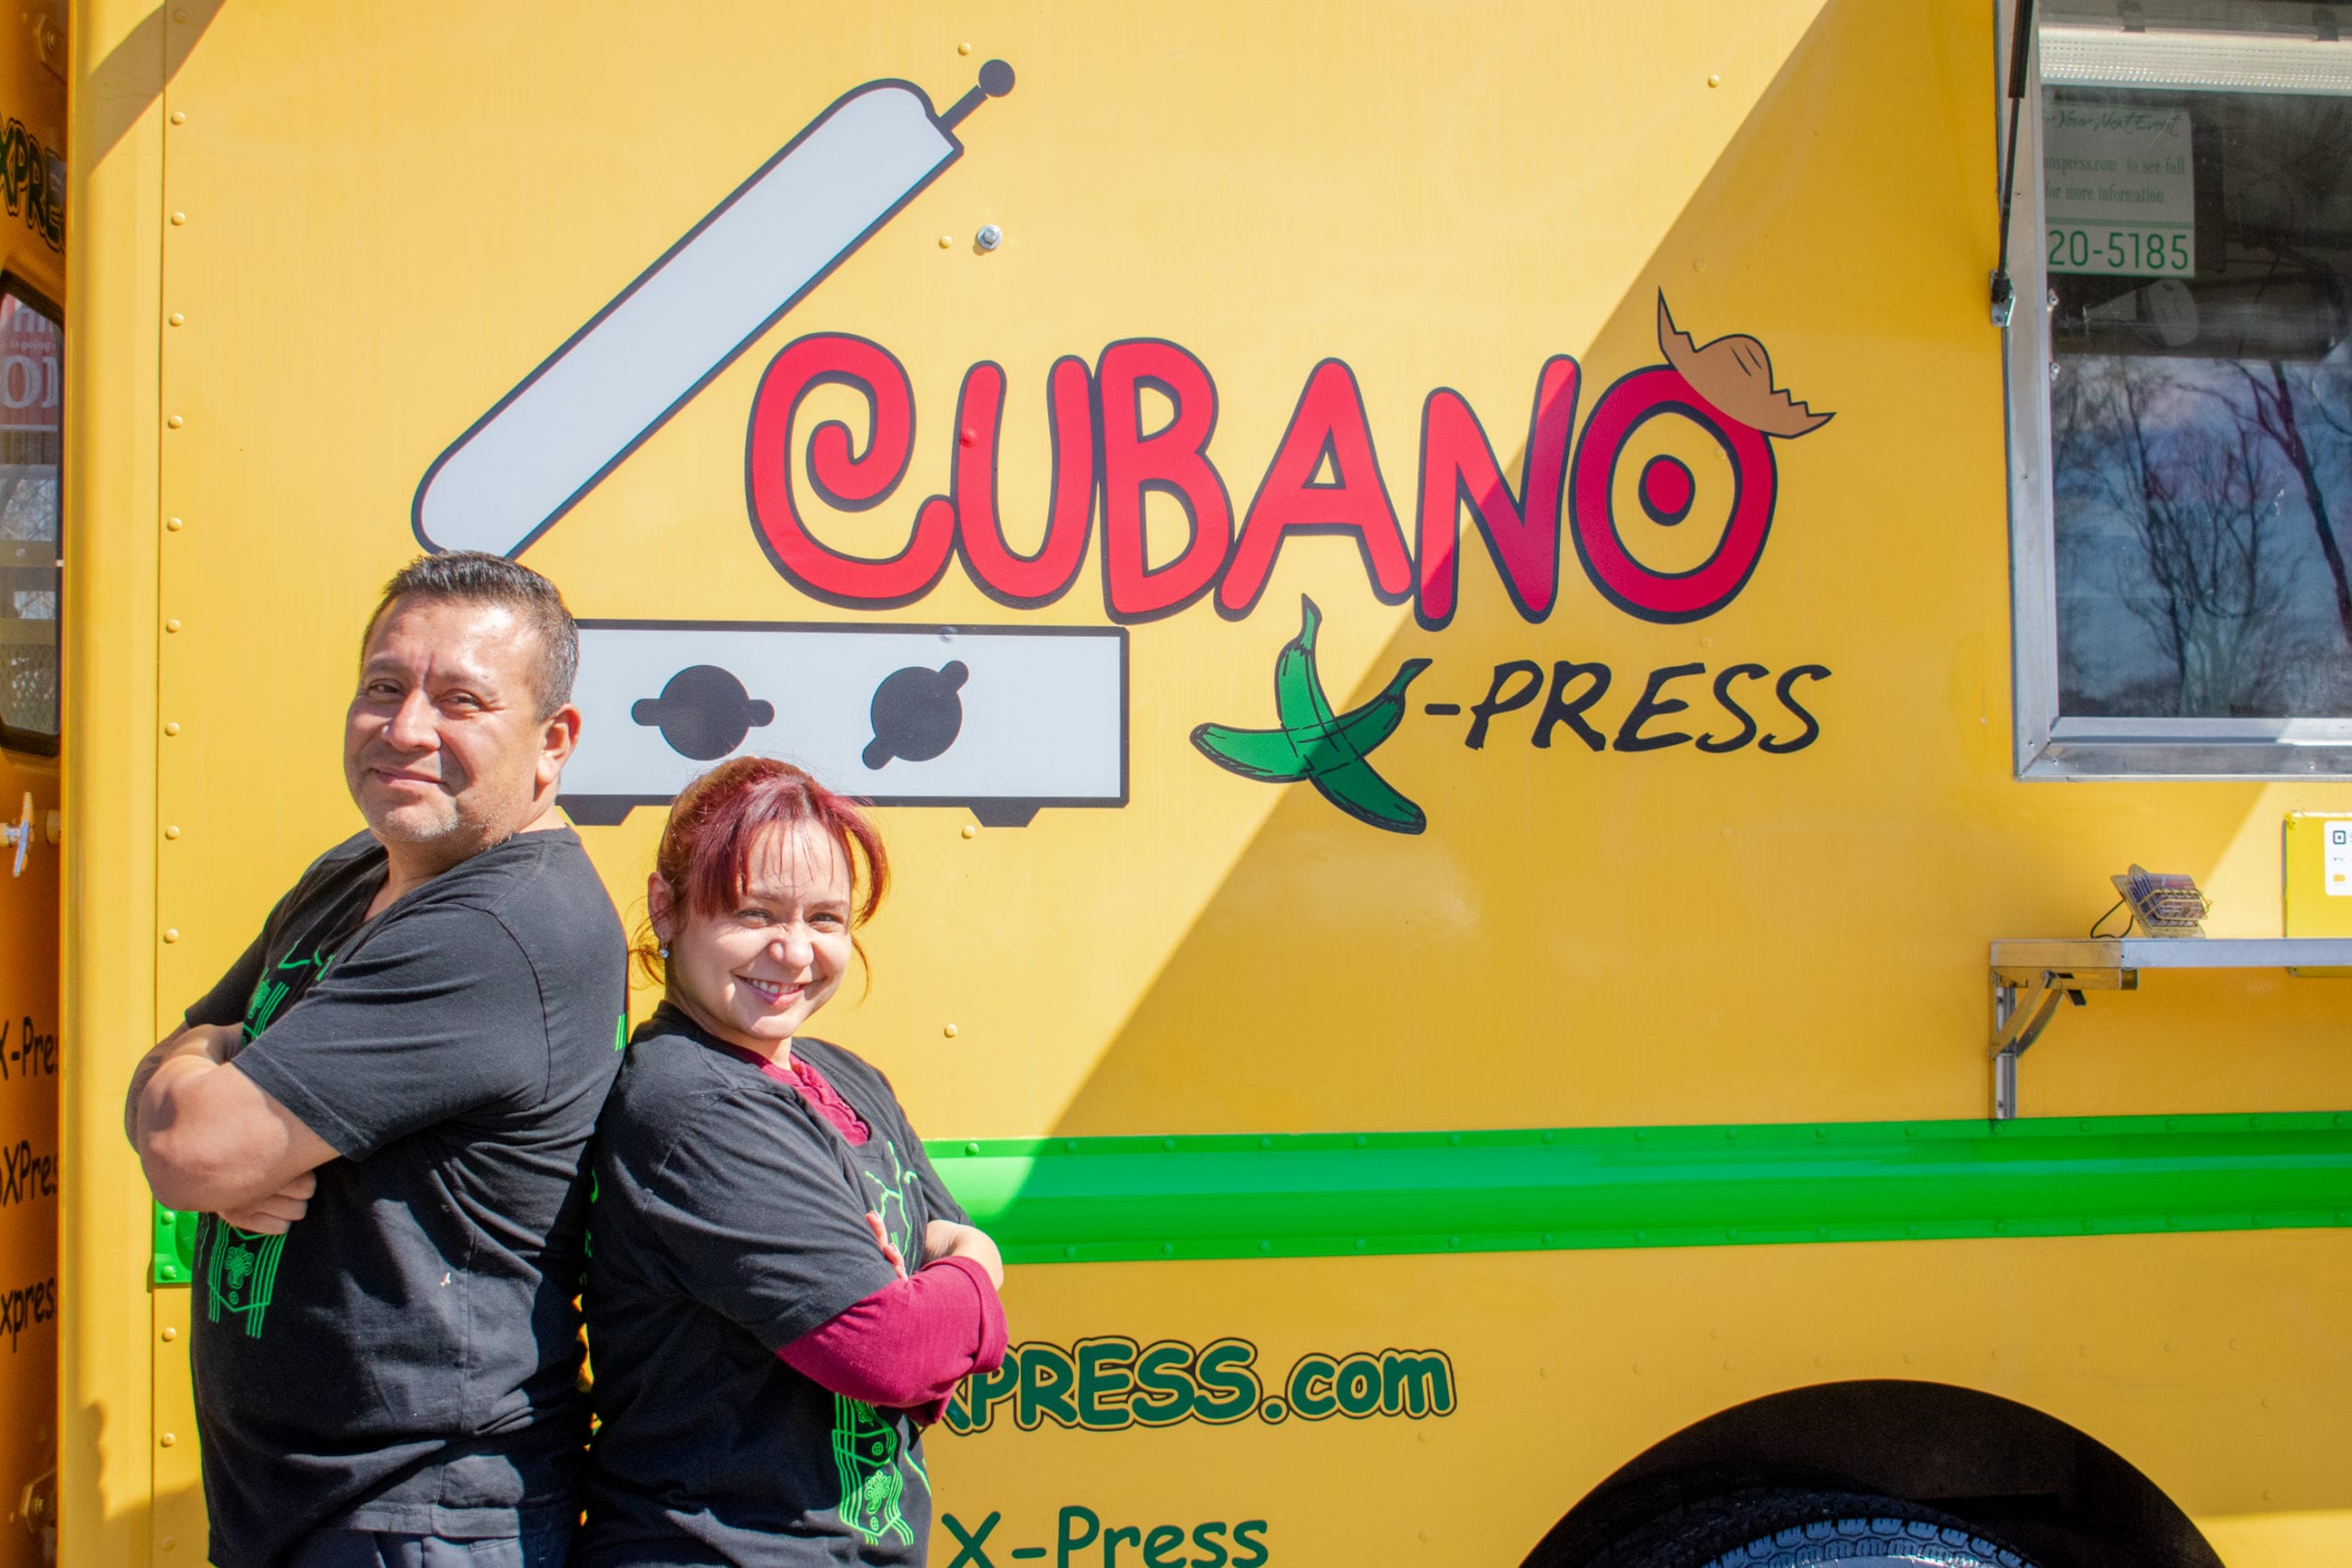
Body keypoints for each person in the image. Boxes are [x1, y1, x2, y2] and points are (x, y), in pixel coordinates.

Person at [124, 552, 627, 1568]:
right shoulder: (354, 872)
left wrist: (209, 1095)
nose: (404, 730)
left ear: (553, 741)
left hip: (417, 1514)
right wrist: (196, 1075)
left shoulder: (502, 928)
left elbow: (188, 1150)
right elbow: (174, 1075)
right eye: (383, 688)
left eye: (461, 700)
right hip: (302, 1503)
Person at [580, 758, 1008, 1568]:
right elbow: (893, 1350)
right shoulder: (694, 1103)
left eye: (826, 918)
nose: (793, 951)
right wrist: (970, 1273)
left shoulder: (847, 1078)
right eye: (752, 912)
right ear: (665, 908)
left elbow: (938, 1362)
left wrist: (939, 1298)